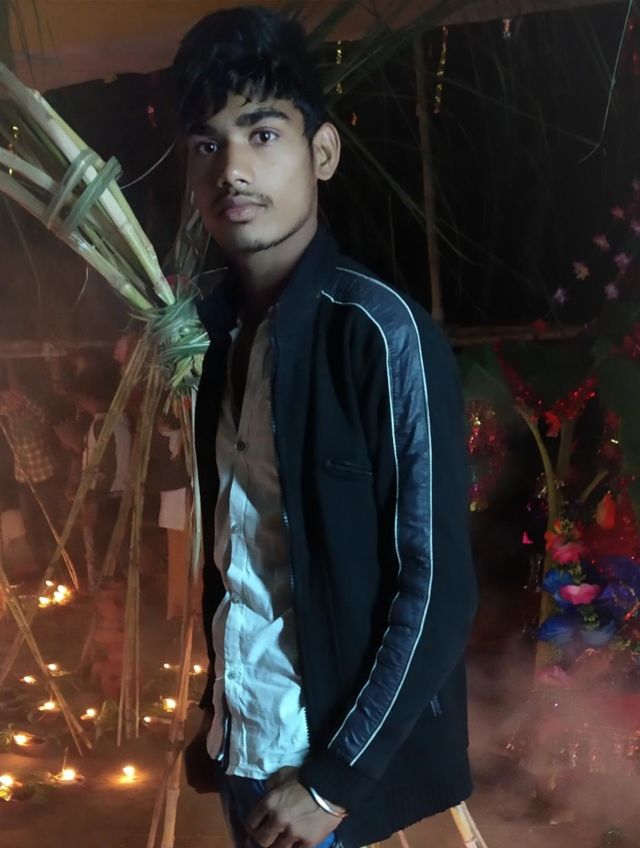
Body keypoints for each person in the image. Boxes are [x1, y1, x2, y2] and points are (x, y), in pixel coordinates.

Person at [175, 9, 478, 848]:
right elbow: (239, 552)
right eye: (206, 145)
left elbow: (438, 589)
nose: (233, 169)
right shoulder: (218, 344)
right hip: (246, 749)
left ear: (323, 152)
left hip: (326, 776)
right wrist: (215, 707)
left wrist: (333, 783)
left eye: (262, 133)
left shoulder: (379, 333)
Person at [0, 372, 60, 572]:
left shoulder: (34, 414)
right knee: (30, 524)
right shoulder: (10, 415)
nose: (8, 401)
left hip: (45, 477)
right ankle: (42, 566)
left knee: (50, 523)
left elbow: (43, 415)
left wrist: (21, 398)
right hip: (24, 479)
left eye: (11, 397)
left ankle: (58, 566)